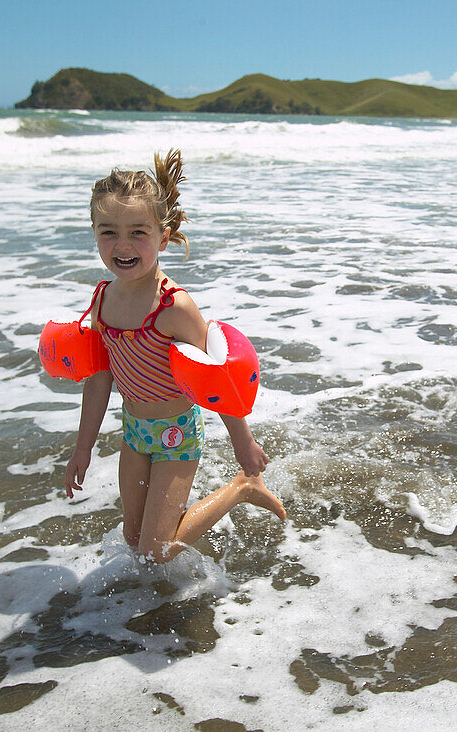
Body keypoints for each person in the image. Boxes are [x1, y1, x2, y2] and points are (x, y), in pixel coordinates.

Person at [64, 149, 286, 563]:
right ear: (94, 234)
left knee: (158, 551)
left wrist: (244, 442)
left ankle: (241, 488)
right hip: (134, 431)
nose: (123, 245)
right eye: (108, 232)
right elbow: (99, 379)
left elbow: (216, 379)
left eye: (138, 233)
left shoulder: (173, 306)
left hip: (176, 435)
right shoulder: (102, 299)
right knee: (134, 542)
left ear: (162, 238)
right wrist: (83, 448)